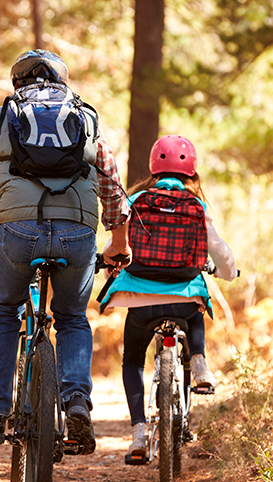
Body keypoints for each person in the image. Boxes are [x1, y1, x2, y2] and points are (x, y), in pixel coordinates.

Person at [0, 49, 131, 455]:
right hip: (77, 234)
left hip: (18, 233)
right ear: (63, 81)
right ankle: (76, 400)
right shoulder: (88, 119)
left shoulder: (0, 119)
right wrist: (119, 242)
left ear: (17, 84)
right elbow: (112, 185)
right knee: (73, 318)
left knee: (4, 311)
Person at [99, 135, 237, 463]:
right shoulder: (197, 206)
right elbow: (219, 252)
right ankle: (199, 360)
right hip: (183, 295)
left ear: (153, 168)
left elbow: (118, 243)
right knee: (195, 309)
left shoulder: (135, 201)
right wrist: (229, 272)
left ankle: (136, 434)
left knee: (132, 361)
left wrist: (107, 265)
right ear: (191, 172)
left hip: (139, 295)